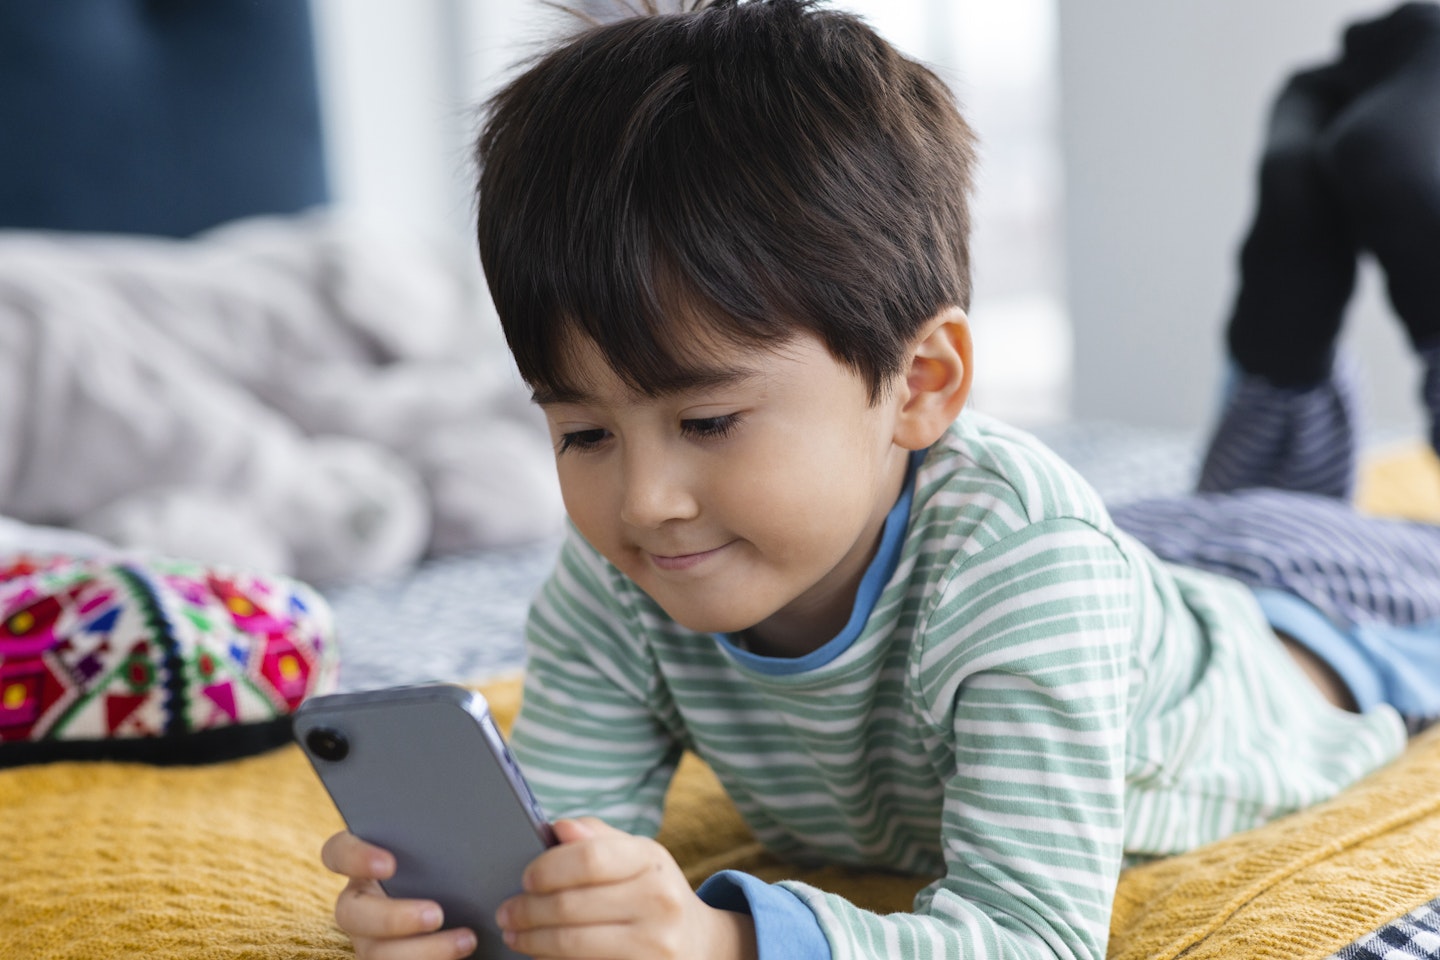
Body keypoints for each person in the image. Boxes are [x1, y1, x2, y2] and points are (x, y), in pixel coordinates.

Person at [319, 2, 1440, 958]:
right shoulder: (617, 581)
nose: (644, 501)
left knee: (1306, 520)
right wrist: (490, 912)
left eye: (707, 419)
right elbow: (575, 851)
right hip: (1145, 568)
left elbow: (1032, 937)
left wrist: (729, 939)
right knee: (1224, 504)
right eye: (584, 434)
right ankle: (1301, 235)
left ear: (922, 384)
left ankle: (1385, 203)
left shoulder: (1030, 580)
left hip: (1325, 628)